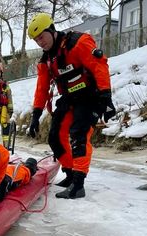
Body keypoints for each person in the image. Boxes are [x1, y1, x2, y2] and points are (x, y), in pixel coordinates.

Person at [27, 13, 115, 199]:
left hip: (91, 96)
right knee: (55, 137)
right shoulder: (46, 61)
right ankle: (70, 173)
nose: (40, 43)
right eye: (36, 40)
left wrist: (106, 97)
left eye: (41, 37)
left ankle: (79, 184)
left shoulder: (77, 43)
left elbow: (99, 66)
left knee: (79, 135)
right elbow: (42, 89)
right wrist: (35, 116)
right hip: (70, 98)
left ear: (51, 30)